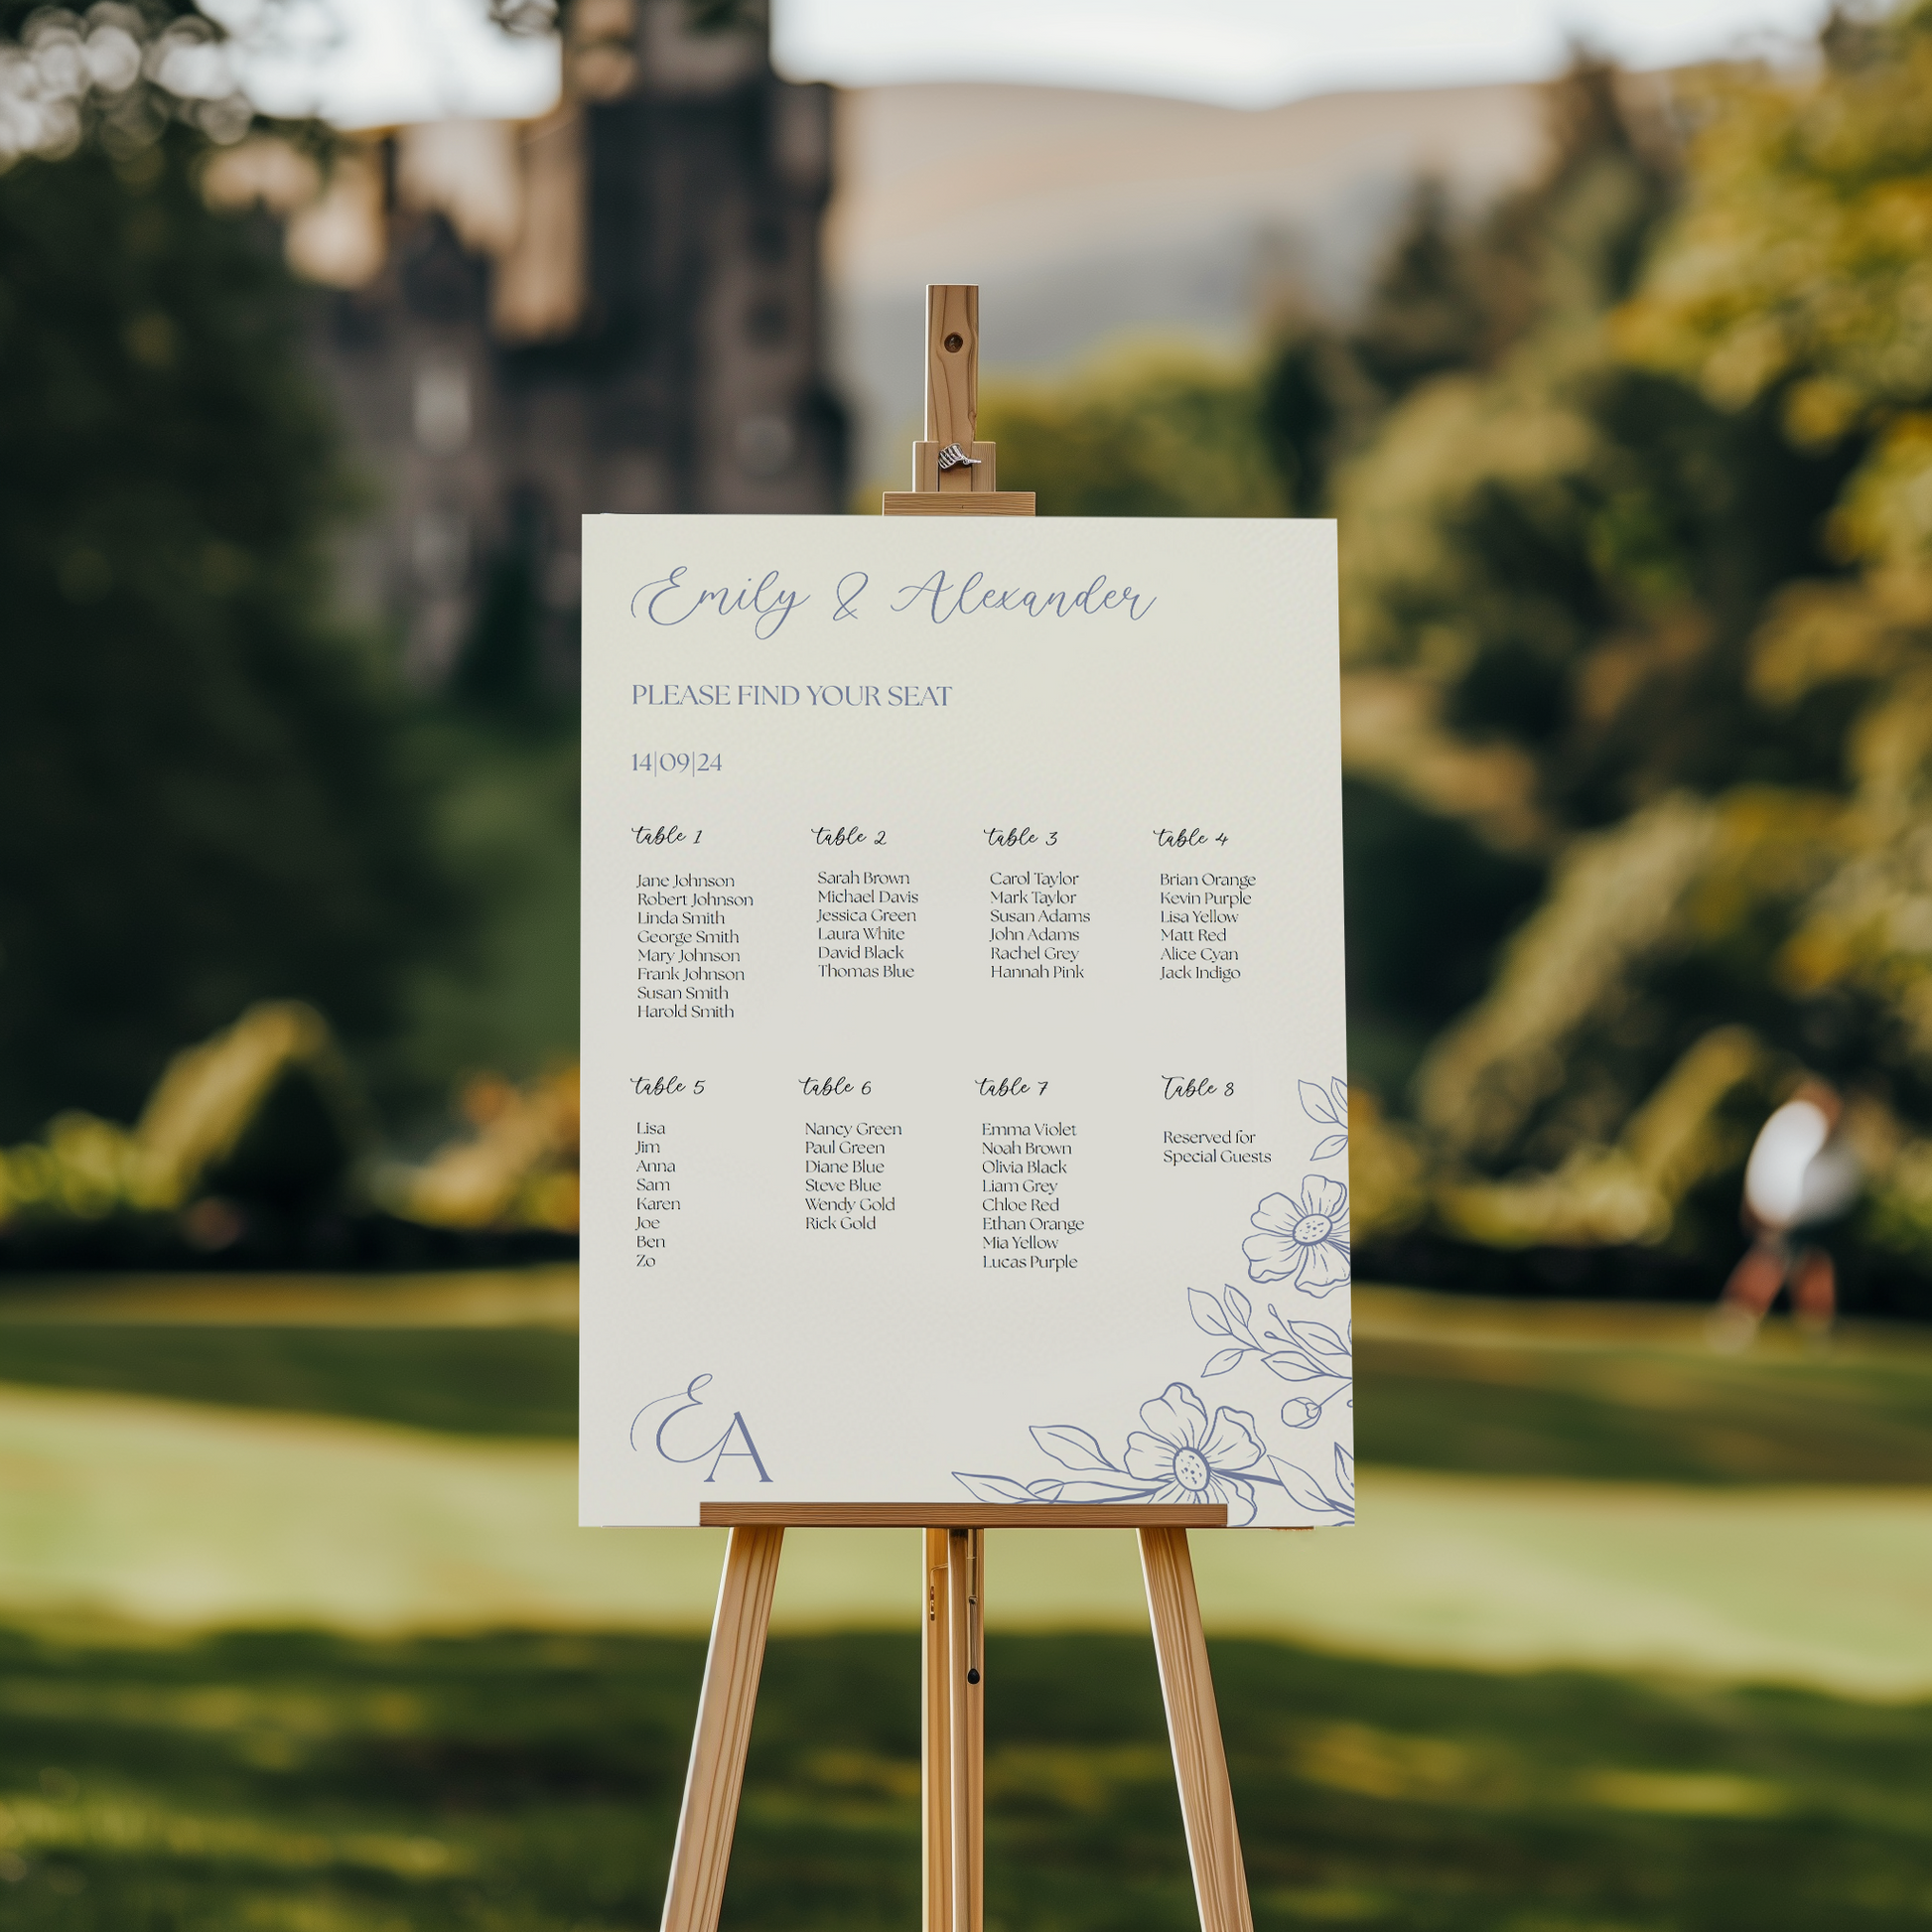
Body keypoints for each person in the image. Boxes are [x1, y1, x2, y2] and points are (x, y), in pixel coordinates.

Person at [1713, 1079, 1860, 1348]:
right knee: (1769, 1265)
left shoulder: (1835, 1141)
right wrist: (1762, 1208)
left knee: (1812, 1269)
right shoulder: (1794, 1127)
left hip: (1813, 1218)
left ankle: (1817, 1330)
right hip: (1783, 1215)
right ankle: (1737, 1320)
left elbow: (1841, 1181)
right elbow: (1770, 1169)